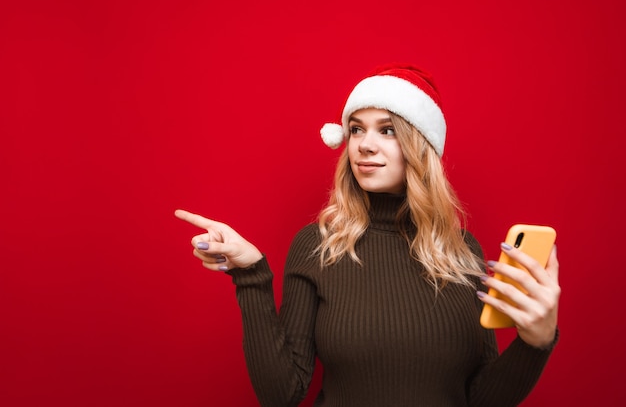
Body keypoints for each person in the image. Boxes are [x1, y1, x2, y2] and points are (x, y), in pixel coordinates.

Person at [175, 63, 560, 407]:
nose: (364, 144)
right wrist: (251, 275)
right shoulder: (317, 246)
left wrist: (535, 343)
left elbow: (480, 398)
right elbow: (282, 394)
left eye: (387, 130)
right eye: (356, 129)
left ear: (420, 144)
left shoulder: (462, 252)